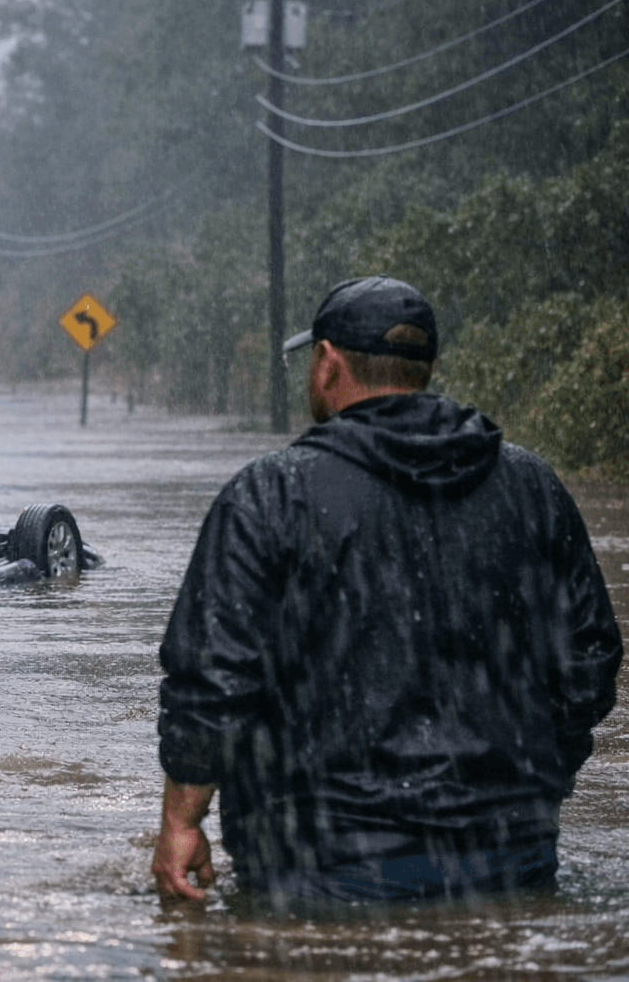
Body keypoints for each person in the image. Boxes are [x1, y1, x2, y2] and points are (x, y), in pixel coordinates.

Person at [153, 275, 622, 903]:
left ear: (326, 365)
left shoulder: (271, 495)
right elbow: (590, 660)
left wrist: (182, 820)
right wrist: (530, 780)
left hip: (319, 864)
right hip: (510, 853)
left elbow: (214, 677)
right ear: (422, 369)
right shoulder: (532, 487)